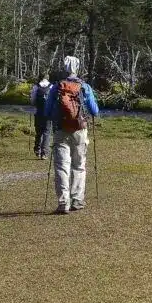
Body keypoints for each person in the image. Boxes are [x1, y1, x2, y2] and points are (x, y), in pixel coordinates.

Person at [42, 56, 99, 214]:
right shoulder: (84, 86)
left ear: (64, 68)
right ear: (77, 68)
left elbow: (47, 111)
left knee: (61, 166)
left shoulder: (56, 87)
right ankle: (77, 200)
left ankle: (63, 203)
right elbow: (95, 110)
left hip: (60, 130)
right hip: (80, 130)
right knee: (79, 166)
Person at [29, 72, 52, 160]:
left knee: (38, 131)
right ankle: (44, 153)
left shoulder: (36, 87)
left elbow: (32, 101)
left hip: (38, 112)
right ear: (47, 78)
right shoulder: (51, 86)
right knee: (47, 132)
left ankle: (37, 149)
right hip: (48, 114)